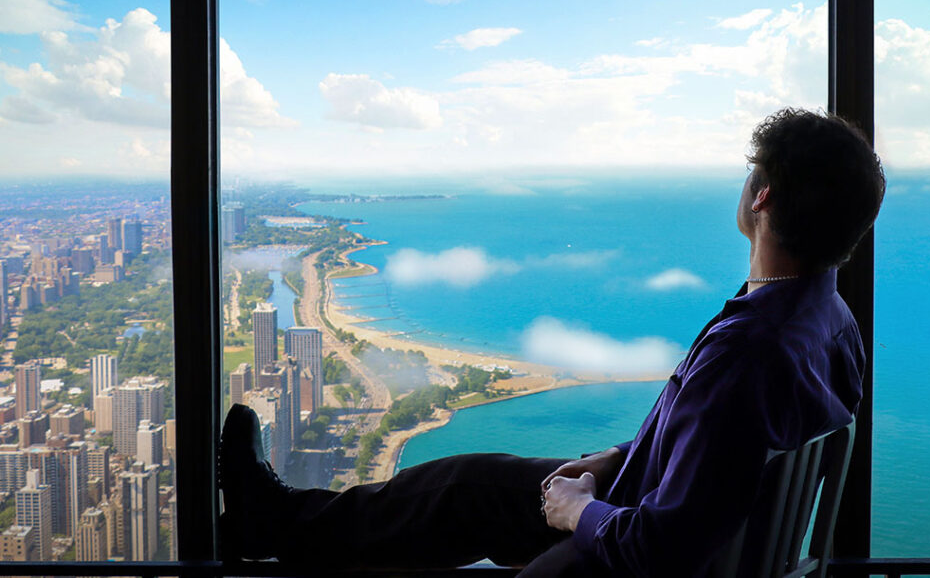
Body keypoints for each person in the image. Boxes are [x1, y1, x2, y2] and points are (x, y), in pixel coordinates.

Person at [219, 108, 886, 577]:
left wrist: (581, 511)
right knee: (467, 483)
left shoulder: (749, 352)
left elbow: (664, 544)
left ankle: (275, 525)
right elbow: (715, 457)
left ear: (762, 196)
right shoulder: (833, 325)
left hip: (635, 549)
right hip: (665, 516)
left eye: (749, 176)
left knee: (472, 496)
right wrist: (616, 456)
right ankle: (276, 521)